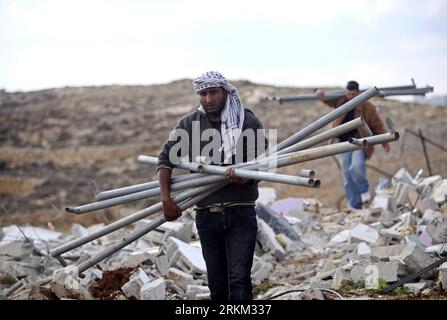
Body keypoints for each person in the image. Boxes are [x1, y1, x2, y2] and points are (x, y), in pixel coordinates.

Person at [157, 71, 266, 300]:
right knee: (217, 283)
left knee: (239, 279)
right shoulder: (189, 124)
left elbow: (261, 165)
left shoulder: (248, 121)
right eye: (203, 93)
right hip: (207, 215)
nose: (208, 98)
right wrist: (166, 200)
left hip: (241, 212)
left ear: (225, 92)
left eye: (213, 92)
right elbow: (165, 159)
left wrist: (244, 176)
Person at [315, 80, 390, 210]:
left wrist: (385, 142)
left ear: (359, 93)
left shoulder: (367, 107)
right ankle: (355, 205)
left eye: (353, 94)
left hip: (359, 142)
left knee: (356, 166)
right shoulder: (341, 101)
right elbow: (327, 99)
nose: (350, 97)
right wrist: (319, 92)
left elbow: (377, 126)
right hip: (343, 143)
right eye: (348, 94)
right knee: (347, 174)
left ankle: (364, 192)